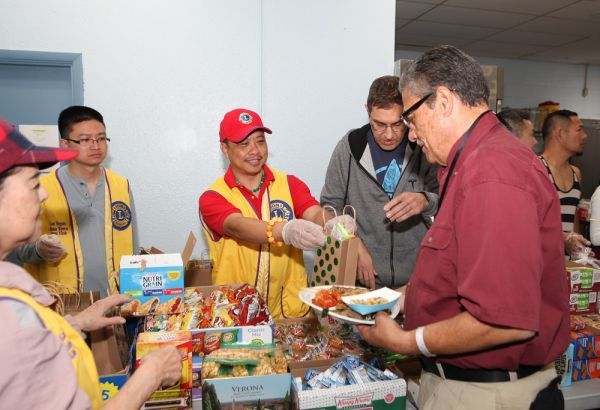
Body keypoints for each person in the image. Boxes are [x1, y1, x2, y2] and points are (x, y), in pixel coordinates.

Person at [358, 45, 569, 409]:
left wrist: (407, 343)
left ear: (442, 101)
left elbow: (506, 321)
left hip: (489, 394)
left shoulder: (491, 173)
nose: (410, 135)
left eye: (410, 118)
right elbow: (462, 268)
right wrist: (406, 297)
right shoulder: (472, 162)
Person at [0, 118, 181, 409]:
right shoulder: (8, 316)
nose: (42, 194)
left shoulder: (120, 184)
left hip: (110, 306)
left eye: (101, 138)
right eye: (32, 184)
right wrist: (150, 376)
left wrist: (77, 322)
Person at [199, 108, 348, 319]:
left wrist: (335, 224)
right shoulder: (213, 197)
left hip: (289, 315)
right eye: (244, 144)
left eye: (260, 141)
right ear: (225, 148)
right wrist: (283, 231)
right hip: (236, 317)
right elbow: (237, 226)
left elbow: (314, 213)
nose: (255, 151)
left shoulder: (289, 184)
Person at [321, 75, 438, 289]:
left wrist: (425, 200)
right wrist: (352, 244)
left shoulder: (423, 146)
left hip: (415, 282)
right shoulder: (349, 147)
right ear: (367, 112)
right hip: (359, 282)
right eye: (379, 124)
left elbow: (448, 201)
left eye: (397, 124)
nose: (389, 134)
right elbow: (328, 208)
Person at [15, 106, 135, 296]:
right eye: (85, 140)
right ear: (65, 144)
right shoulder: (42, 188)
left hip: (116, 300)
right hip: (62, 304)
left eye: (102, 138)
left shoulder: (121, 185)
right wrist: (39, 250)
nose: (96, 146)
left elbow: (132, 244)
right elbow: (20, 249)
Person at [540, 109, 590, 257]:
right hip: (542, 261)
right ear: (560, 134)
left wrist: (579, 253)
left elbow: (572, 217)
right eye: (579, 130)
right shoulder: (537, 169)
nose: (585, 136)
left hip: (565, 264)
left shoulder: (576, 173)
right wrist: (564, 238)